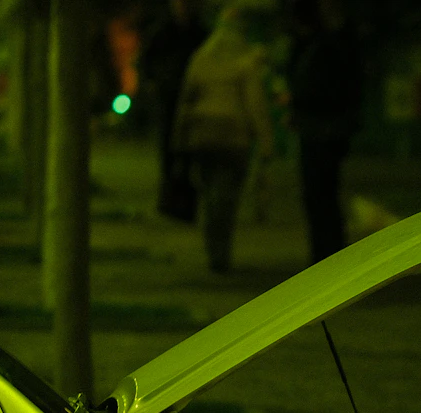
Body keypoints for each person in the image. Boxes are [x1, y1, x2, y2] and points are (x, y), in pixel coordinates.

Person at [172, 2, 274, 273]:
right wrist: (266, 142)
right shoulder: (246, 62)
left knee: (209, 196)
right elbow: (255, 105)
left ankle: (212, 250)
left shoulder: (201, 58)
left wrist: (179, 138)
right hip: (233, 138)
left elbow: (185, 101)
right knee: (227, 198)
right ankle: (221, 253)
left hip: (203, 135)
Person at [286, 0, 361, 264]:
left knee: (319, 194)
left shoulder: (324, 47)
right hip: (324, 130)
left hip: (322, 131)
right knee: (321, 194)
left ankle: (326, 252)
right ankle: (327, 251)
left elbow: (322, 89)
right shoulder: (325, 45)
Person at [139, 0, 210, 224]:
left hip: (194, 99)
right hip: (169, 97)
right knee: (169, 150)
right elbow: (146, 60)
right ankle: (170, 201)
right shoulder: (162, 32)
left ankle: (187, 204)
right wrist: (153, 82)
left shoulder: (200, 32)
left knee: (191, 151)